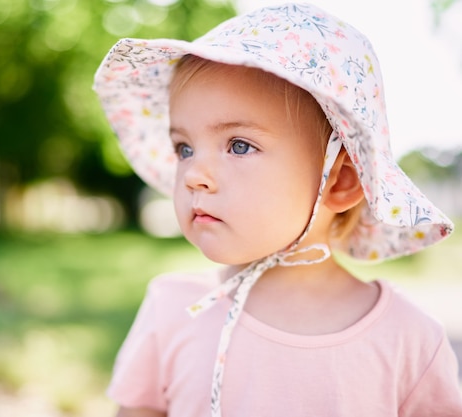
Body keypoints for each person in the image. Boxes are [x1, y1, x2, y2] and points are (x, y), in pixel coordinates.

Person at [93, 3, 462, 416]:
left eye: (239, 145)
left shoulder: (407, 340)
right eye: (184, 148)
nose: (195, 173)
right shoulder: (171, 309)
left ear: (339, 182)